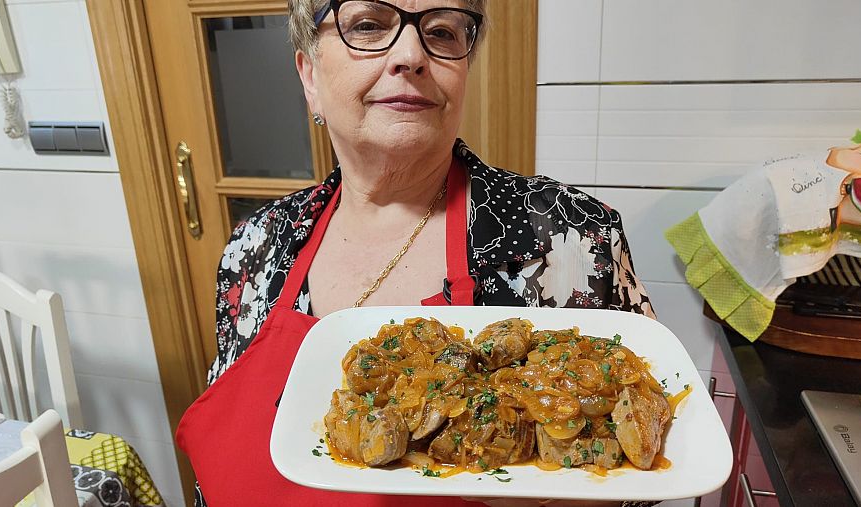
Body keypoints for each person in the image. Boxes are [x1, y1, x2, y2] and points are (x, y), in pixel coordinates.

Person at [176, 1, 656, 506]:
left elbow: (651, 470)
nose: (411, 54)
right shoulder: (254, 248)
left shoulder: (568, 237)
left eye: (443, 32)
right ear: (309, 75)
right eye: (366, 25)